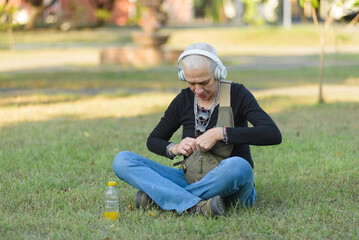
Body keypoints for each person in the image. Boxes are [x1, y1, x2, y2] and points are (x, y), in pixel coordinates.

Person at [113, 42, 282, 216]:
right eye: (191, 83)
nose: (198, 90)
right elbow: (154, 140)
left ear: (218, 73)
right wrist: (175, 148)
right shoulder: (183, 100)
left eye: (204, 82)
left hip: (231, 186)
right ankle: (197, 205)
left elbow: (272, 134)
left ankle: (164, 199)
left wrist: (221, 133)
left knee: (239, 165)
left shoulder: (238, 94)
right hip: (188, 180)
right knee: (123, 160)